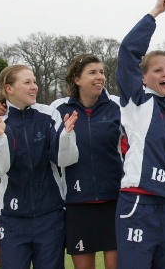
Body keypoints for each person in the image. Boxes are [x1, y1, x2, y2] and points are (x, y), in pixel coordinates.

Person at [115, 0, 165, 269]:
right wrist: (155, 12)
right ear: (143, 78)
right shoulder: (138, 100)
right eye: (158, 70)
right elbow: (127, 52)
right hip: (140, 203)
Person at [0, 64, 79, 269]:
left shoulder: (49, 115)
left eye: (34, 81)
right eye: (27, 82)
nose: (34, 87)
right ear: (9, 89)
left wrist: (67, 136)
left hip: (50, 214)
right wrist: (1, 138)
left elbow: (63, 160)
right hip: (12, 217)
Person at [50, 54, 122, 269]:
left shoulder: (118, 105)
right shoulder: (58, 108)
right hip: (77, 205)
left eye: (101, 72)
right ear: (77, 79)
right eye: (92, 72)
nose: (100, 76)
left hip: (115, 201)